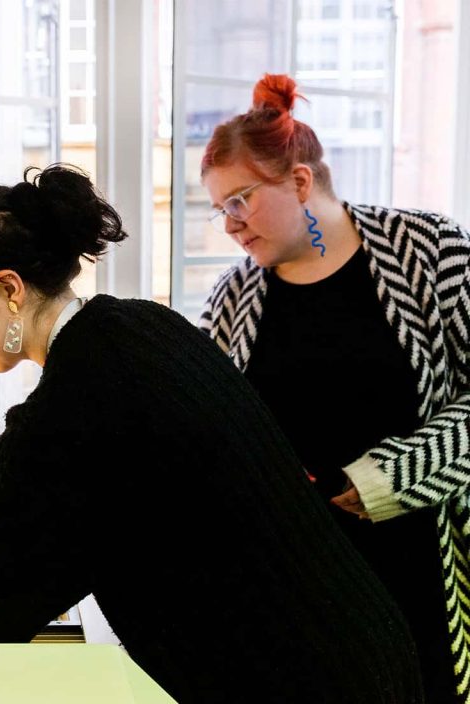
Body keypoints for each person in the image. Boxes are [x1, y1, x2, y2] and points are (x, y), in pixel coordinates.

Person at [0, 164, 423, 703]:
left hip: (298, 681)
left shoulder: (78, 398)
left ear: (9, 288)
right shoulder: (143, 327)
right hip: (361, 646)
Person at [198, 73, 470, 703]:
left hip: (423, 572)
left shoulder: (429, 251)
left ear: (299, 181)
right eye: (220, 210)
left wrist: (392, 477)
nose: (231, 225)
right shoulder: (233, 298)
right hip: (295, 594)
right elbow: (214, 432)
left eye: (240, 199)